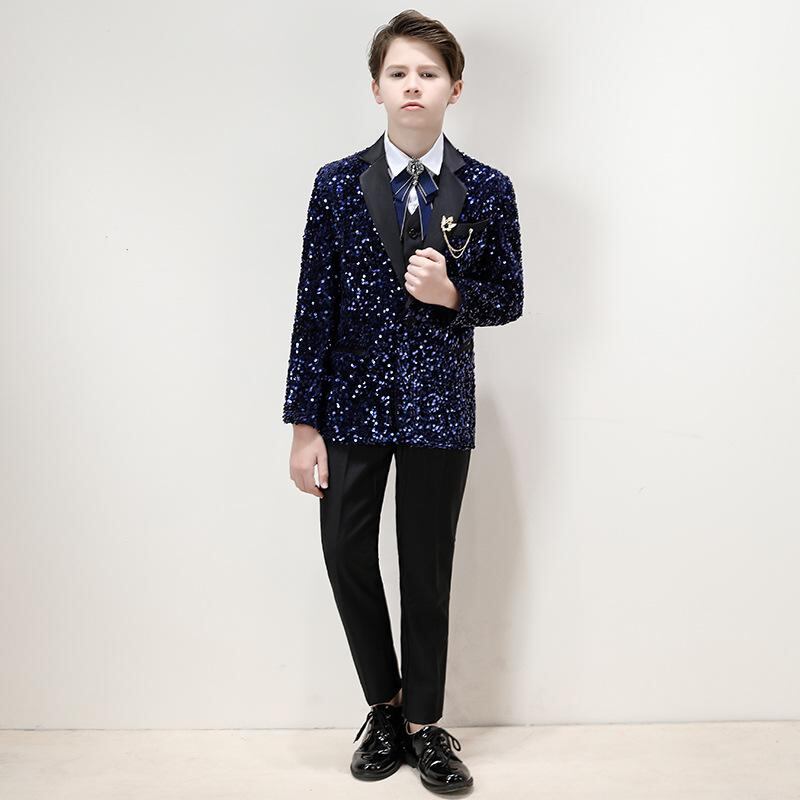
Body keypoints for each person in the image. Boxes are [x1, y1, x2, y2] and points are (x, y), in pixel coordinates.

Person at [283, 9, 524, 794]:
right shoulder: (336, 184)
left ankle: (425, 724)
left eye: (427, 73)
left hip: (438, 405)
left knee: (426, 565)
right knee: (346, 552)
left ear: (455, 88)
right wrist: (304, 424)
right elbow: (313, 307)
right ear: (376, 88)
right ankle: (382, 707)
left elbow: (509, 296)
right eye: (398, 73)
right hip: (349, 405)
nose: (412, 85)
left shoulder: (487, 189)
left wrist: (453, 293)